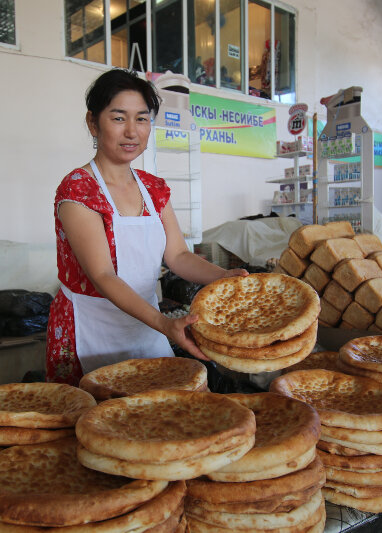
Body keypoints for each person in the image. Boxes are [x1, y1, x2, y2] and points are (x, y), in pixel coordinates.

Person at [46, 69, 247, 384]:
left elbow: (178, 255)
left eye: (141, 119)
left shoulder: (154, 188)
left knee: (158, 416)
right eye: (118, 118)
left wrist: (223, 277)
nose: (131, 131)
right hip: (91, 330)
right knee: (94, 422)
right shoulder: (78, 190)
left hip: (145, 324)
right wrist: (165, 324)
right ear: (92, 122)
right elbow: (102, 276)